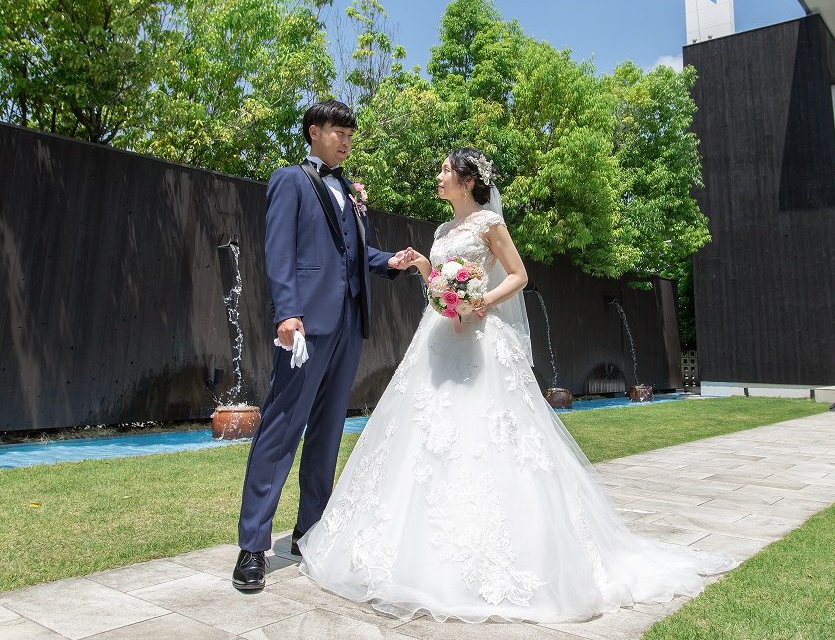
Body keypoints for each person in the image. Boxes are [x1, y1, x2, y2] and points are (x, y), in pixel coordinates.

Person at [297, 146, 736, 623]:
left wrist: (481, 300)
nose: (438, 177)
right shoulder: (442, 231)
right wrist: (425, 268)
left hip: (481, 339)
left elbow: (519, 275)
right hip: (439, 338)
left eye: (445, 171)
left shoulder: (489, 224)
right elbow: (440, 286)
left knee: (489, 434)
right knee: (425, 434)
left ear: (467, 181)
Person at [233, 100, 413, 592]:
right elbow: (279, 250)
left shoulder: (350, 191)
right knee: (280, 429)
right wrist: (286, 312)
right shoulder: (289, 180)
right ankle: (253, 546)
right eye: (338, 132)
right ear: (314, 132)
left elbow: (352, 255)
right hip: (306, 326)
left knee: (328, 432)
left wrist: (389, 261)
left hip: (349, 325)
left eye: (350, 134)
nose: (346, 141)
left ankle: (309, 532)